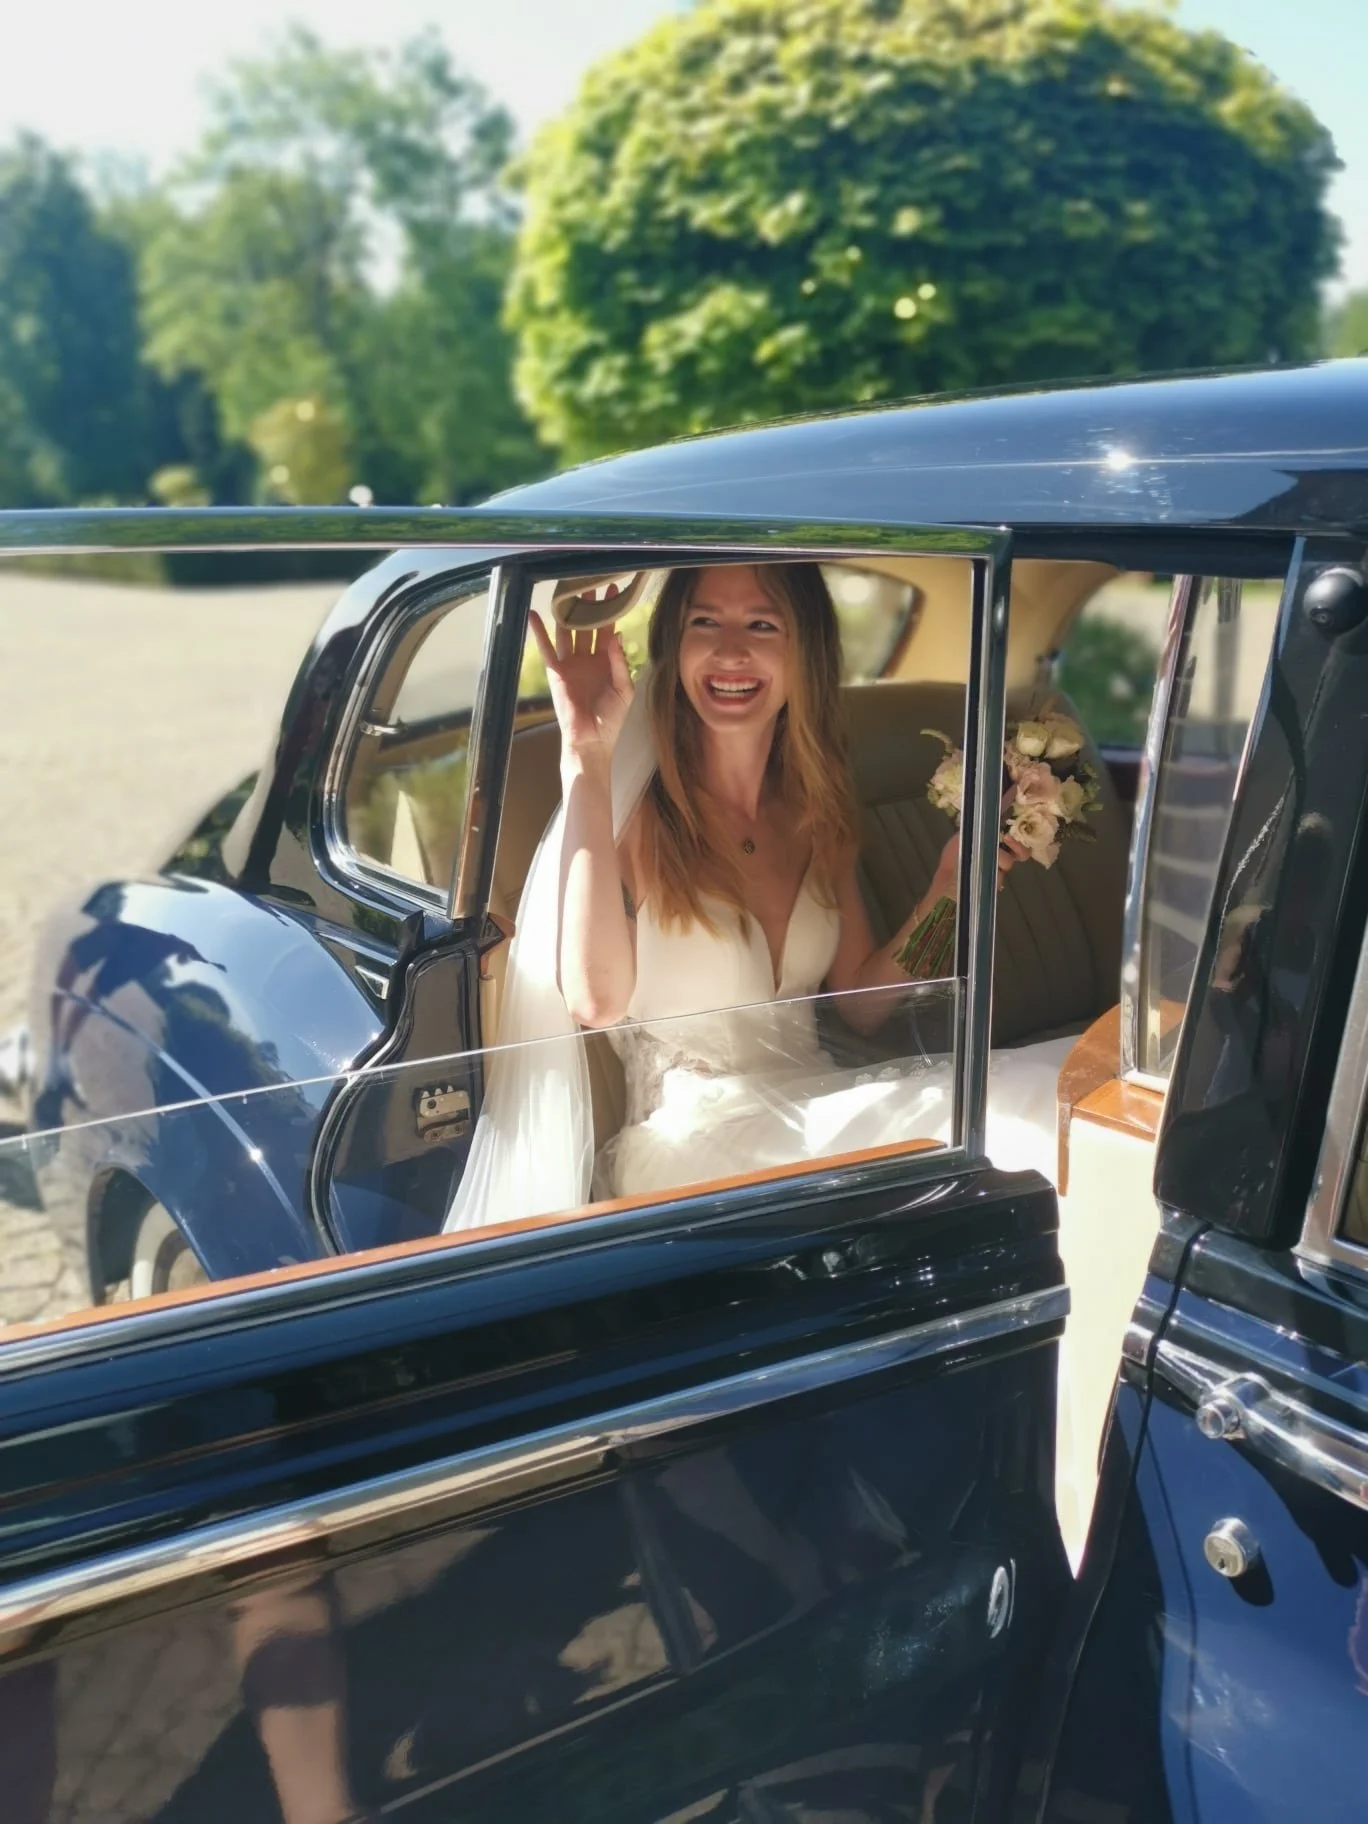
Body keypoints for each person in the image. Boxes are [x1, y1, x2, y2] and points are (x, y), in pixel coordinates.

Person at [445, 563, 1069, 1231]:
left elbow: (862, 1001)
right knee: (1014, 1116)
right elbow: (595, 1002)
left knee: (1055, 1089)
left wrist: (953, 890)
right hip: (692, 1145)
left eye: (762, 624)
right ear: (675, 649)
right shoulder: (632, 821)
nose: (730, 650)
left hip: (819, 1101)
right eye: (704, 623)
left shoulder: (815, 816)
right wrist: (586, 760)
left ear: (807, 654)